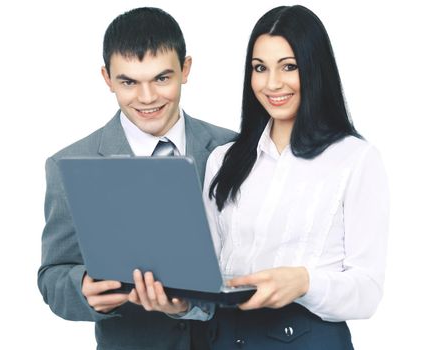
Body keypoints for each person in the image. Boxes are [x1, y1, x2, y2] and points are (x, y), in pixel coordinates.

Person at [129, 5, 389, 349]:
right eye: (259, 68)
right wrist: (178, 303)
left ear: (315, 70)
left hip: (305, 338)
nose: (272, 83)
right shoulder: (225, 159)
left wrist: (304, 282)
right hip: (220, 338)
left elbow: (367, 291)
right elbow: (206, 273)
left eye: (289, 67)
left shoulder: (355, 159)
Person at [37, 7, 237, 350]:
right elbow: (53, 275)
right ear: (106, 78)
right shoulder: (70, 164)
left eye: (162, 78)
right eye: (128, 82)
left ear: (185, 69)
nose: (147, 98)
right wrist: (82, 287)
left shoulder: (234, 149)